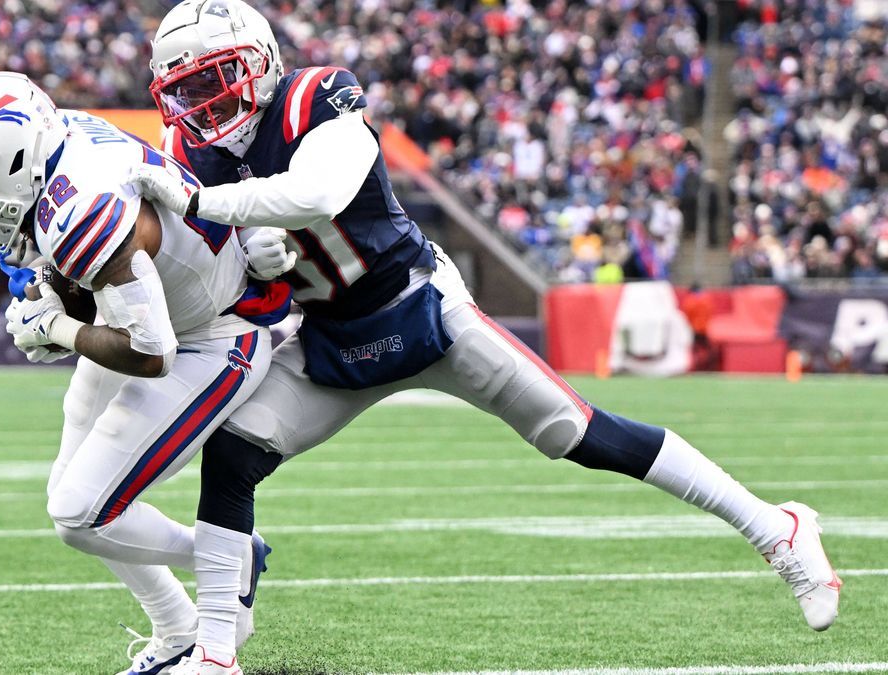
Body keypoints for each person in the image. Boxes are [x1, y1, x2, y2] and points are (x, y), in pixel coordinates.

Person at [127, 2, 843, 673]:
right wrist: (252, 265)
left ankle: (777, 527)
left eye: (215, 82)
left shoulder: (316, 99)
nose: (203, 108)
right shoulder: (187, 154)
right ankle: (216, 649)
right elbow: (227, 285)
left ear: (259, 61)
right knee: (233, 450)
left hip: (421, 310)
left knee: (576, 430)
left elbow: (315, 195)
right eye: (186, 94)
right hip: (330, 342)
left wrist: (203, 202)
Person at [0, 71, 295, 675]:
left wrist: (58, 329)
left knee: (82, 511)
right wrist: (48, 291)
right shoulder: (59, 148)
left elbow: (152, 354)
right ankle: (176, 627)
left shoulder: (78, 210)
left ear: (14, 163)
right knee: (68, 496)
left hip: (214, 339)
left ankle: (226, 558)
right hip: (169, 313)